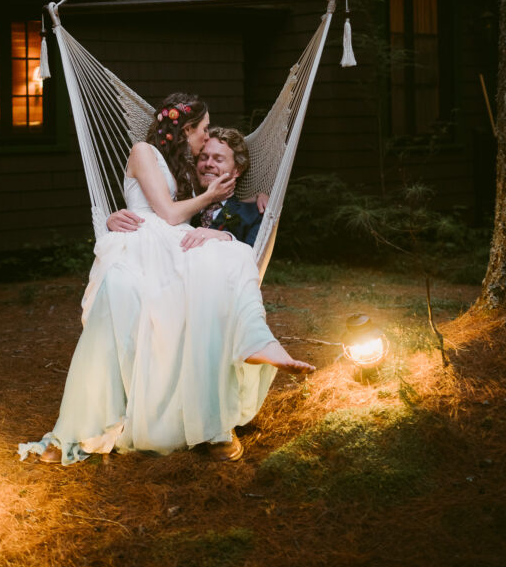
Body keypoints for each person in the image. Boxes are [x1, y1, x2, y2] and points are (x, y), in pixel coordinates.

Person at [19, 93, 314, 467]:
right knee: (188, 278)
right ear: (186, 129)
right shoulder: (143, 150)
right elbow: (168, 213)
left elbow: (180, 212)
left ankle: (254, 342)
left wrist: (253, 199)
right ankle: (87, 424)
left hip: (166, 243)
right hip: (148, 245)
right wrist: (114, 219)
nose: (205, 140)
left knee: (230, 259)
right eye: (203, 130)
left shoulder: (180, 167)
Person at [107, 126, 264, 249]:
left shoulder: (253, 213)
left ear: (237, 169)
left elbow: (253, 260)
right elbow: (149, 219)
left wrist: (225, 237)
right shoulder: (177, 202)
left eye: (218, 159)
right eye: (203, 157)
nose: (208, 164)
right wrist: (112, 222)